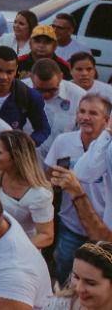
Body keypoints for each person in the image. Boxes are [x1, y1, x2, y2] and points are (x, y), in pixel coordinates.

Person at [44, 94, 112, 282]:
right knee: (63, 274)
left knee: (98, 280)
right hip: (70, 226)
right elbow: (49, 176)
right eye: (81, 112)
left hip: (103, 229)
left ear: (107, 120)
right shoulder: (63, 141)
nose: (85, 117)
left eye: (92, 113)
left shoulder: (108, 147)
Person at [0, 128, 54, 250]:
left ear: (16, 158)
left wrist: (13, 248)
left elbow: (46, 235)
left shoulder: (39, 194)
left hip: (18, 253)